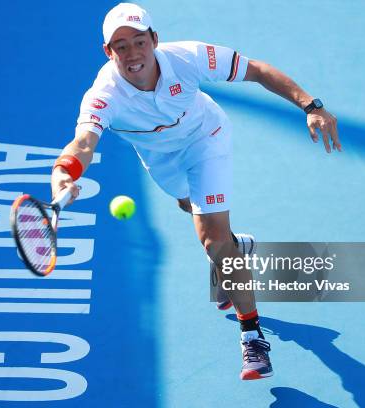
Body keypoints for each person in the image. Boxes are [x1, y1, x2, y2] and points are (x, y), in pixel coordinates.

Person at [51, 3, 341, 380]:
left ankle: (252, 334)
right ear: (108, 52)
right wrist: (63, 172)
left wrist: (310, 105)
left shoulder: (188, 58)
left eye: (139, 41)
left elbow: (256, 70)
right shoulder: (103, 94)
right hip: (160, 160)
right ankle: (237, 249)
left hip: (207, 140)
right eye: (120, 46)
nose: (132, 53)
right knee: (191, 208)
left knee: (212, 241)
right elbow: (83, 143)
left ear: (155, 39)